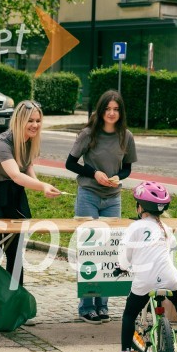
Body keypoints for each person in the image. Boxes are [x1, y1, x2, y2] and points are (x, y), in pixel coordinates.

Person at [0, 99, 61, 289]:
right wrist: (42, 186)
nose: (35, 125)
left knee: (16, 249)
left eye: (38, 120)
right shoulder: (2, 142)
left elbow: (27, 167)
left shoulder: (30, 141)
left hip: (13, 193)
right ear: (19, 121)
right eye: (30, 121)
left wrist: (38, 184)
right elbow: (16, 175)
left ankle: (14, 300)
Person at [66, 90, 138, 324]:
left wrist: (118, 177)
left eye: (116, 109)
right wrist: (94, 173)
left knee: (108, 251)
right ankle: (86, 306)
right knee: (89, 251)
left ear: (121, 112)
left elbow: (127, 168)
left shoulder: (126, 136)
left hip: (113, 198)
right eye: (108, 109)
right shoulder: (89, 134)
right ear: (101, 109)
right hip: (88, 194)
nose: (111, 113)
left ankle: (103, 305)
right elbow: (70, 163)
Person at [115, 182, 177, 352]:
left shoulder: (135, 227)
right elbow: (169, 249)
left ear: (140, 207)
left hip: (145, 280)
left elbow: (125, 256)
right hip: (168, 276)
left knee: (129, 314)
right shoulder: (166, 229)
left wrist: (122, 268)